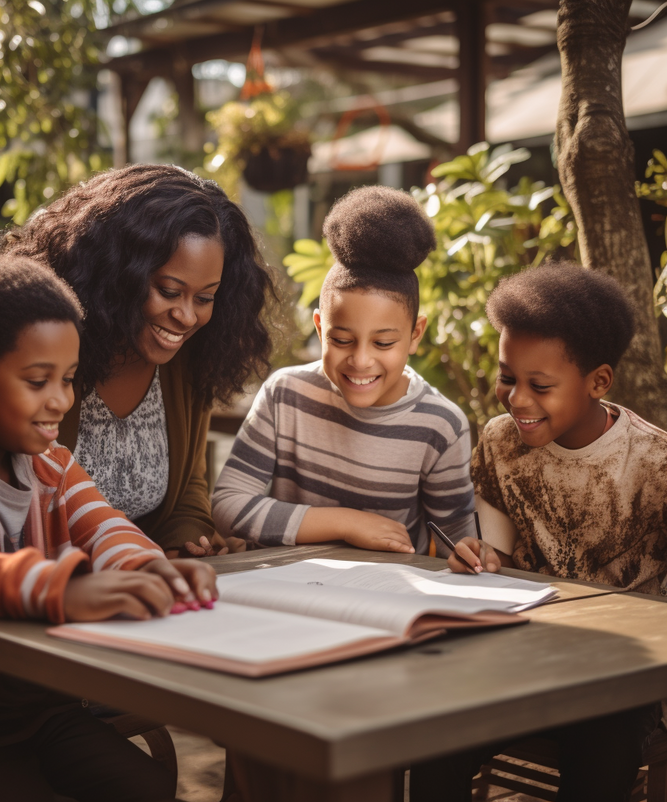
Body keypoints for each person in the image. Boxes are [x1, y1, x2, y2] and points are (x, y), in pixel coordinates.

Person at [0, 255, 217, 802]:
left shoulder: (49, 460)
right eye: (38, 381)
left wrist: (152, 569)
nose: (61, 400)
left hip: (43, 710)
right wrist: (63, 589)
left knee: (148, 784)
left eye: (70, 380)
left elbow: (103, 526)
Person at [0, 164, 274, 579]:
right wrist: (63, 586)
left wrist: (170, 552)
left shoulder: (55, 463)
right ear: (117, 273)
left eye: (205, 297)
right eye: (168, 291)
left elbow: (114, 522)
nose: (186, 316)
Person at [410, 261, 666, 802]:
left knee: (602, 750)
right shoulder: (502, 443)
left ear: (598, 381)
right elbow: (495, 552)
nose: (517, 399)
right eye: (508, 377)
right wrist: (478, 554)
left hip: (622, 680)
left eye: (540, 385)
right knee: (431, 738)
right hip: (520, 658)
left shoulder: (654, 466)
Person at [211, 185, 475, 555]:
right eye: (341, 340)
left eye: (383, 343)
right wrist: (348, 523)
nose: (361, 361)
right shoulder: (285, 394)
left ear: (416, 334)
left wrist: (472, 555)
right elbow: (226, 505)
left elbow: (456, 544)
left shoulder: (441, 425)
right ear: (320, 328)